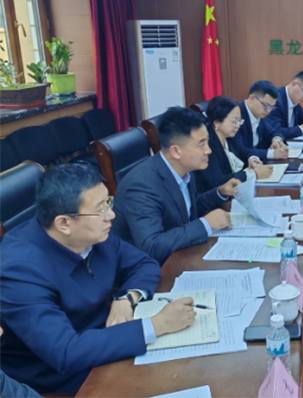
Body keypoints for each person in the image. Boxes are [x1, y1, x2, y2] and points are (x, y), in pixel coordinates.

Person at [0, 165, 196, 393]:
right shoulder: (19, 272)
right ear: (64, 223)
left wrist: (125, 300)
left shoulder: (91, 232)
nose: (110, 215)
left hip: (106, 337)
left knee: (190, 366)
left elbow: (144, 264)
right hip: (64, 374)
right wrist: (156, 325)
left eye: (108, 203)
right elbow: (66, 352)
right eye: (100, 210)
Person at [112, 106, 239, 264]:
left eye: (207, 142)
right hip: (145, 267)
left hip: (179, 254)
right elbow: (152, 246)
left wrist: (220, 192)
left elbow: (187, 208)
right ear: (176, 152)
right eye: (201, 144)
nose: (208, 150)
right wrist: (205, 224)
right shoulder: (140, 186)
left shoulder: (183, 168)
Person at [195, 96, 275, 194]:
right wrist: (253, 174)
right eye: (234, 122)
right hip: (213, 199)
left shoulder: (228, 137)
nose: (237, 126)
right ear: (217, 123)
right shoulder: (207, 145)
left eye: (239, 121)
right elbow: (217, 181)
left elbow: (245, 152)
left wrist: (253, 160)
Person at [233, 80, 289, 160]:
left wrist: (277, 140)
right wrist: (271, 154)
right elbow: (239, 151)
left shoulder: (258, 114)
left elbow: (273, 131)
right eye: (266, 105)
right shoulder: (236, 115)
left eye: (271, 107)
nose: (268, 110)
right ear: (252, 98)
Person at [265, 71, 303, 141]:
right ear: (293, 84)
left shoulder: (294, 101)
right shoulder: (276, 101)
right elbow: (276, 131)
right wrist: (301, 129)